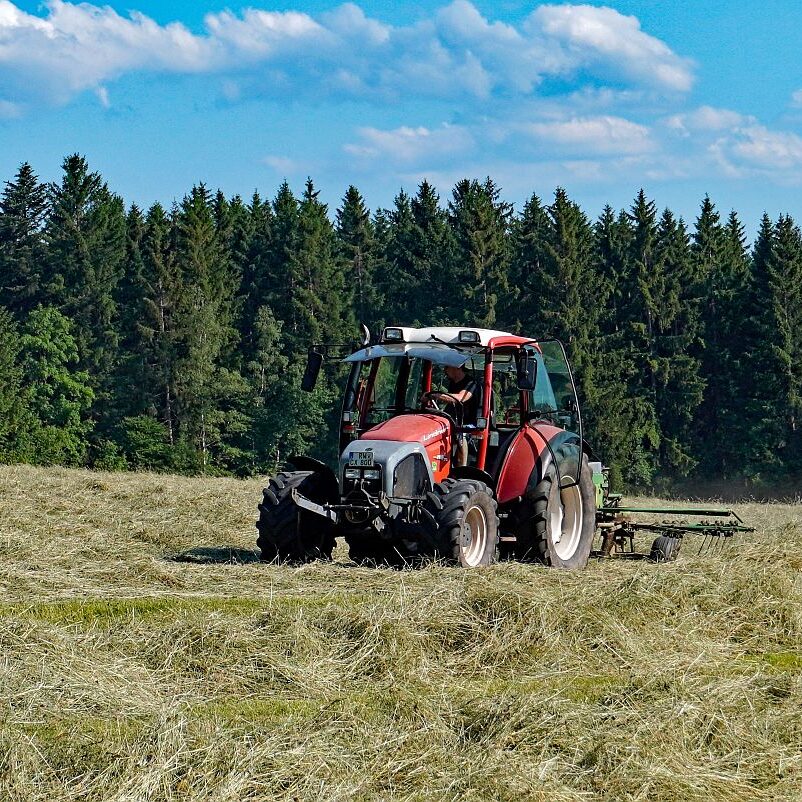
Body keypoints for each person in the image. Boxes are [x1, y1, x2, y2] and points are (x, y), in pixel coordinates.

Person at [425, 364, 480, 466]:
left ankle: (462, 468)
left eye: (447, 367)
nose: (445, 370)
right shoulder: (452, 383)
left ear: (457, 367)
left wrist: (436, 395)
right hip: (454, 420)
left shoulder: (471, 383)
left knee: (460, 434)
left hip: (470, 423)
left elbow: (459, 398)